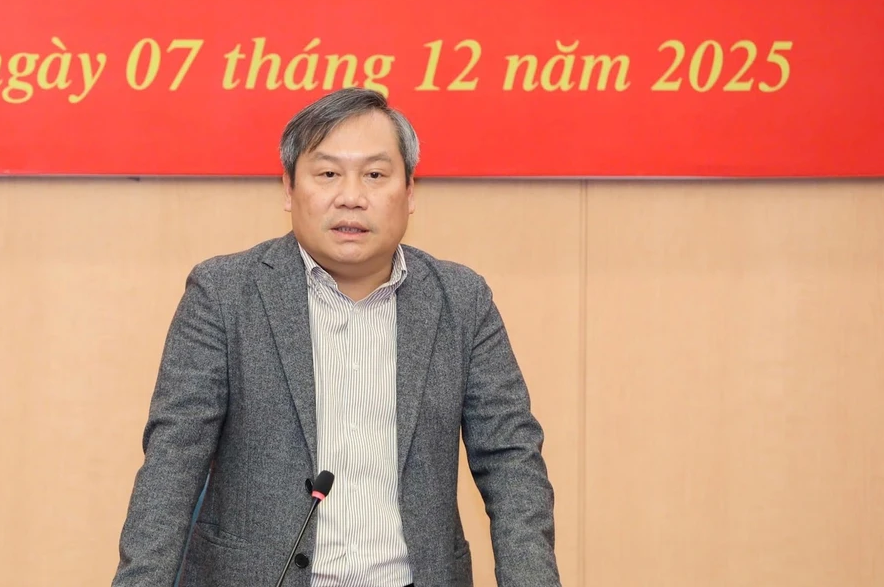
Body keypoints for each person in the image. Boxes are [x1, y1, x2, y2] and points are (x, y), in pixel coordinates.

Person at [111, 87, 561, 587]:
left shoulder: (461, 301)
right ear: (288, 189)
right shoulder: (224, 294)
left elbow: (511, 461)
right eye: (328, 174)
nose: (351, 196)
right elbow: (173, 464)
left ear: (410, 192)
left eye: (375, 175)